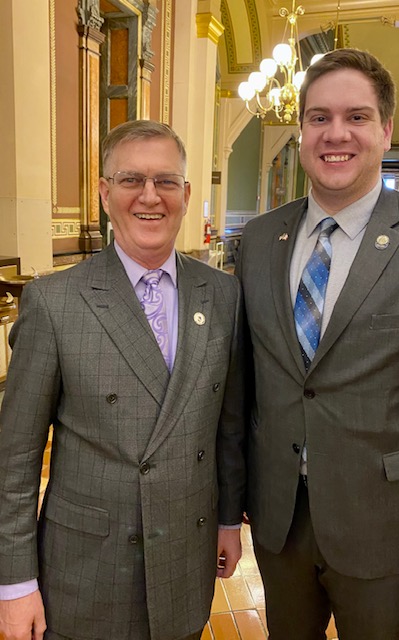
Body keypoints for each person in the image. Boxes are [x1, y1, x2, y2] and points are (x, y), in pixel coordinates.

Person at [235, 48, 399, 640]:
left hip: (387, 528)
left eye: (356, 116)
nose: (335, 133)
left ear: (386, 128)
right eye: (318, 117)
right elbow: (244, 389)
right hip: (279, 524)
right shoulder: (262, 239)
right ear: (300, 131)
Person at [0, 120, 246, 640]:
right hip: (88, 569)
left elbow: (226, 428)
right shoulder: (55, 302)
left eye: (165, 181)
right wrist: (15, 582)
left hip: (185, 558)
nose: (149, 197)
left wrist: (227, 521)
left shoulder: (223, 295)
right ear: (106, 195)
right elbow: (15, 458)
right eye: (132, 180)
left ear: (185, 193)